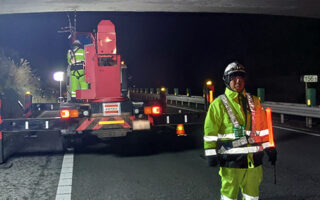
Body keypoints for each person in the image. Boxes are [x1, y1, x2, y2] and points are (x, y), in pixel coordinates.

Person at [203, 62, 277, 200]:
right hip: (231, 161)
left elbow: (262, 129)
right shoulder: (218, 104)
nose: (238, 80)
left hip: (254, 161)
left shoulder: (255, 101)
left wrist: (269, 148)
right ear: (226, 80)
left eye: (241, 77)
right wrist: (210, 153)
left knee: (252, 196)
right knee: (229, 196)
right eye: (233, 77)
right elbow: (210, 132)